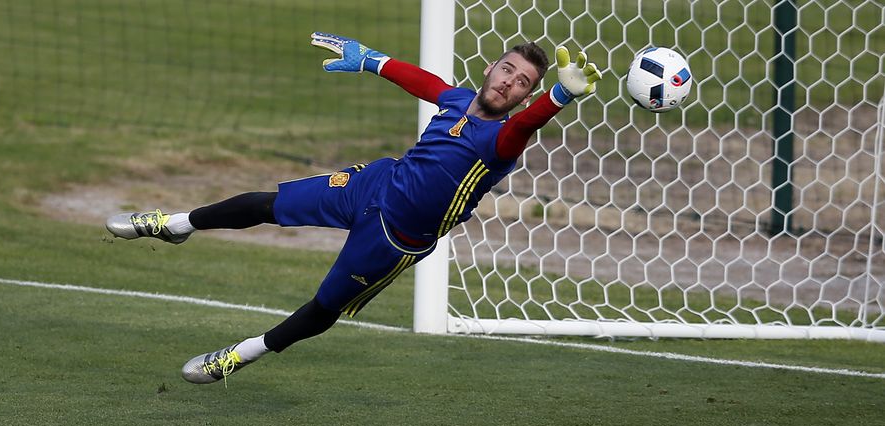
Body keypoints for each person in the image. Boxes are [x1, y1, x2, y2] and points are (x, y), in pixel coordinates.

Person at [106, 32, 600, 384]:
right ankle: (175, 224)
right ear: (491, 67)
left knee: (325, 307)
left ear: (526, 95)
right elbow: (422, 82)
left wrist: (558, 96)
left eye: (522, 82)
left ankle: (239, 355)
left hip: (395, 239)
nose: (509, 82)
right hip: (374, 184)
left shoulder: (502, 142)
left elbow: (524, 127)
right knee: (267, 203)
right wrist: (370, 59)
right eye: (506, 68)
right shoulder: (459, 99)